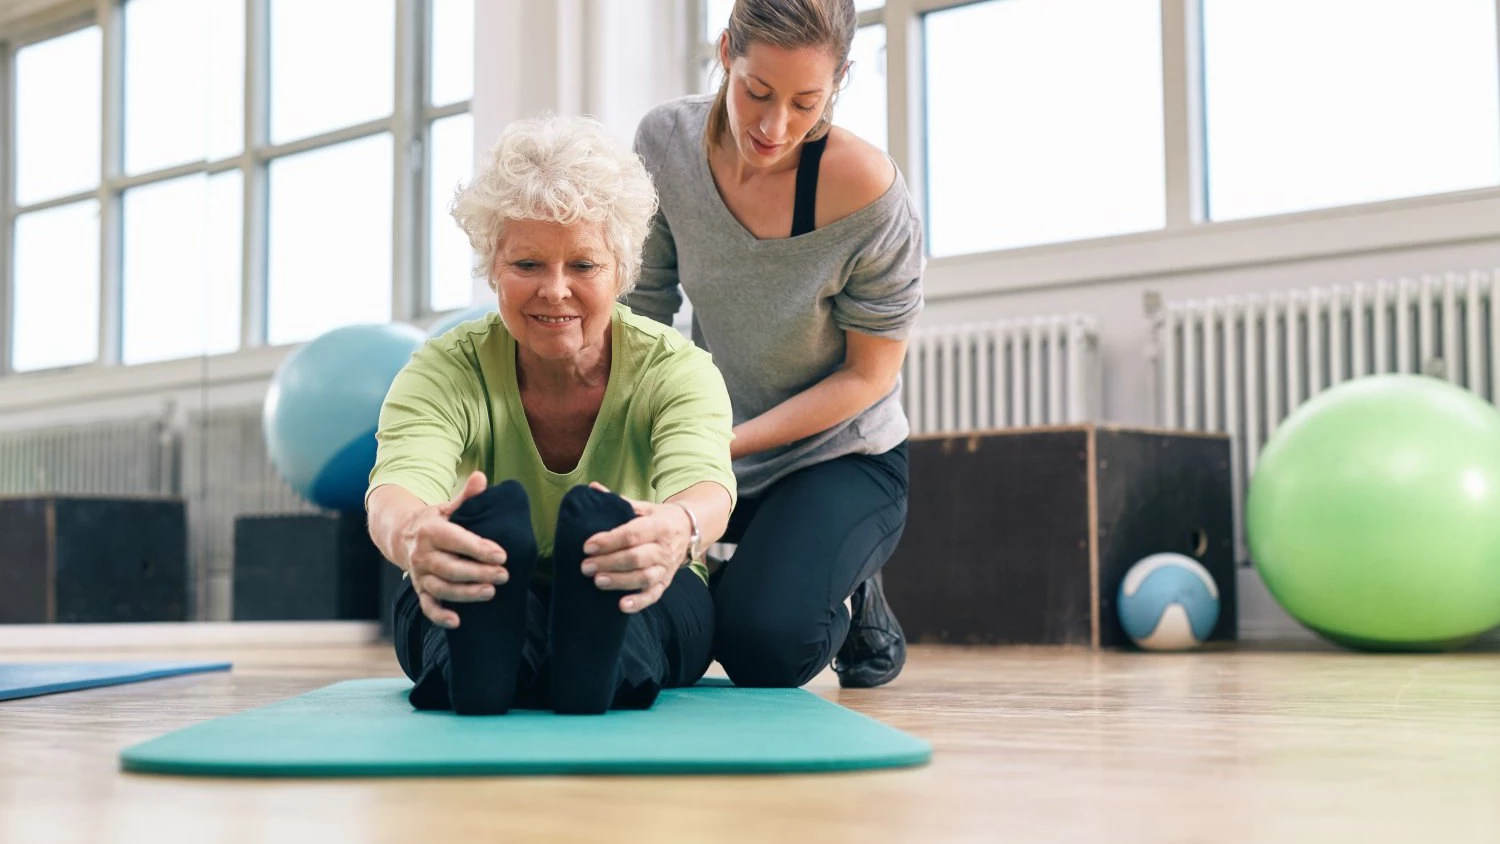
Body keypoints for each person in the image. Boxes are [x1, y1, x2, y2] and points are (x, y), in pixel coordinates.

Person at [365, 114, 737, 716]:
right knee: (456, 605)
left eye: (583, 266)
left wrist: (677, 530)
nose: (555, 290)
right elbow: (394, 490)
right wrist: (415, 538)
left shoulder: (676, 369)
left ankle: (569, 659)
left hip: (640, 572)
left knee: (633, 618)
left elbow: (706, 486)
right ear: (493, 269)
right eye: (528, 265)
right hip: (482, 574)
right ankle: (512, 662)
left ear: (622, 272)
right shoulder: (442, 368)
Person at [626, 0, 924, 689]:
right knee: (653, 614)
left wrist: (724, 443)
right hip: (711, 447)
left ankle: (852, 586)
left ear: (841, 80)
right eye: (757, 91)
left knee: (765, 649)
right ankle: (761, 568)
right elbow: (643, 310)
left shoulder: (868, 193)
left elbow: (867, 377)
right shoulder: (665, 144)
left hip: (840, 457)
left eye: (805, 102)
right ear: (727, 50)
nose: (773, 125)